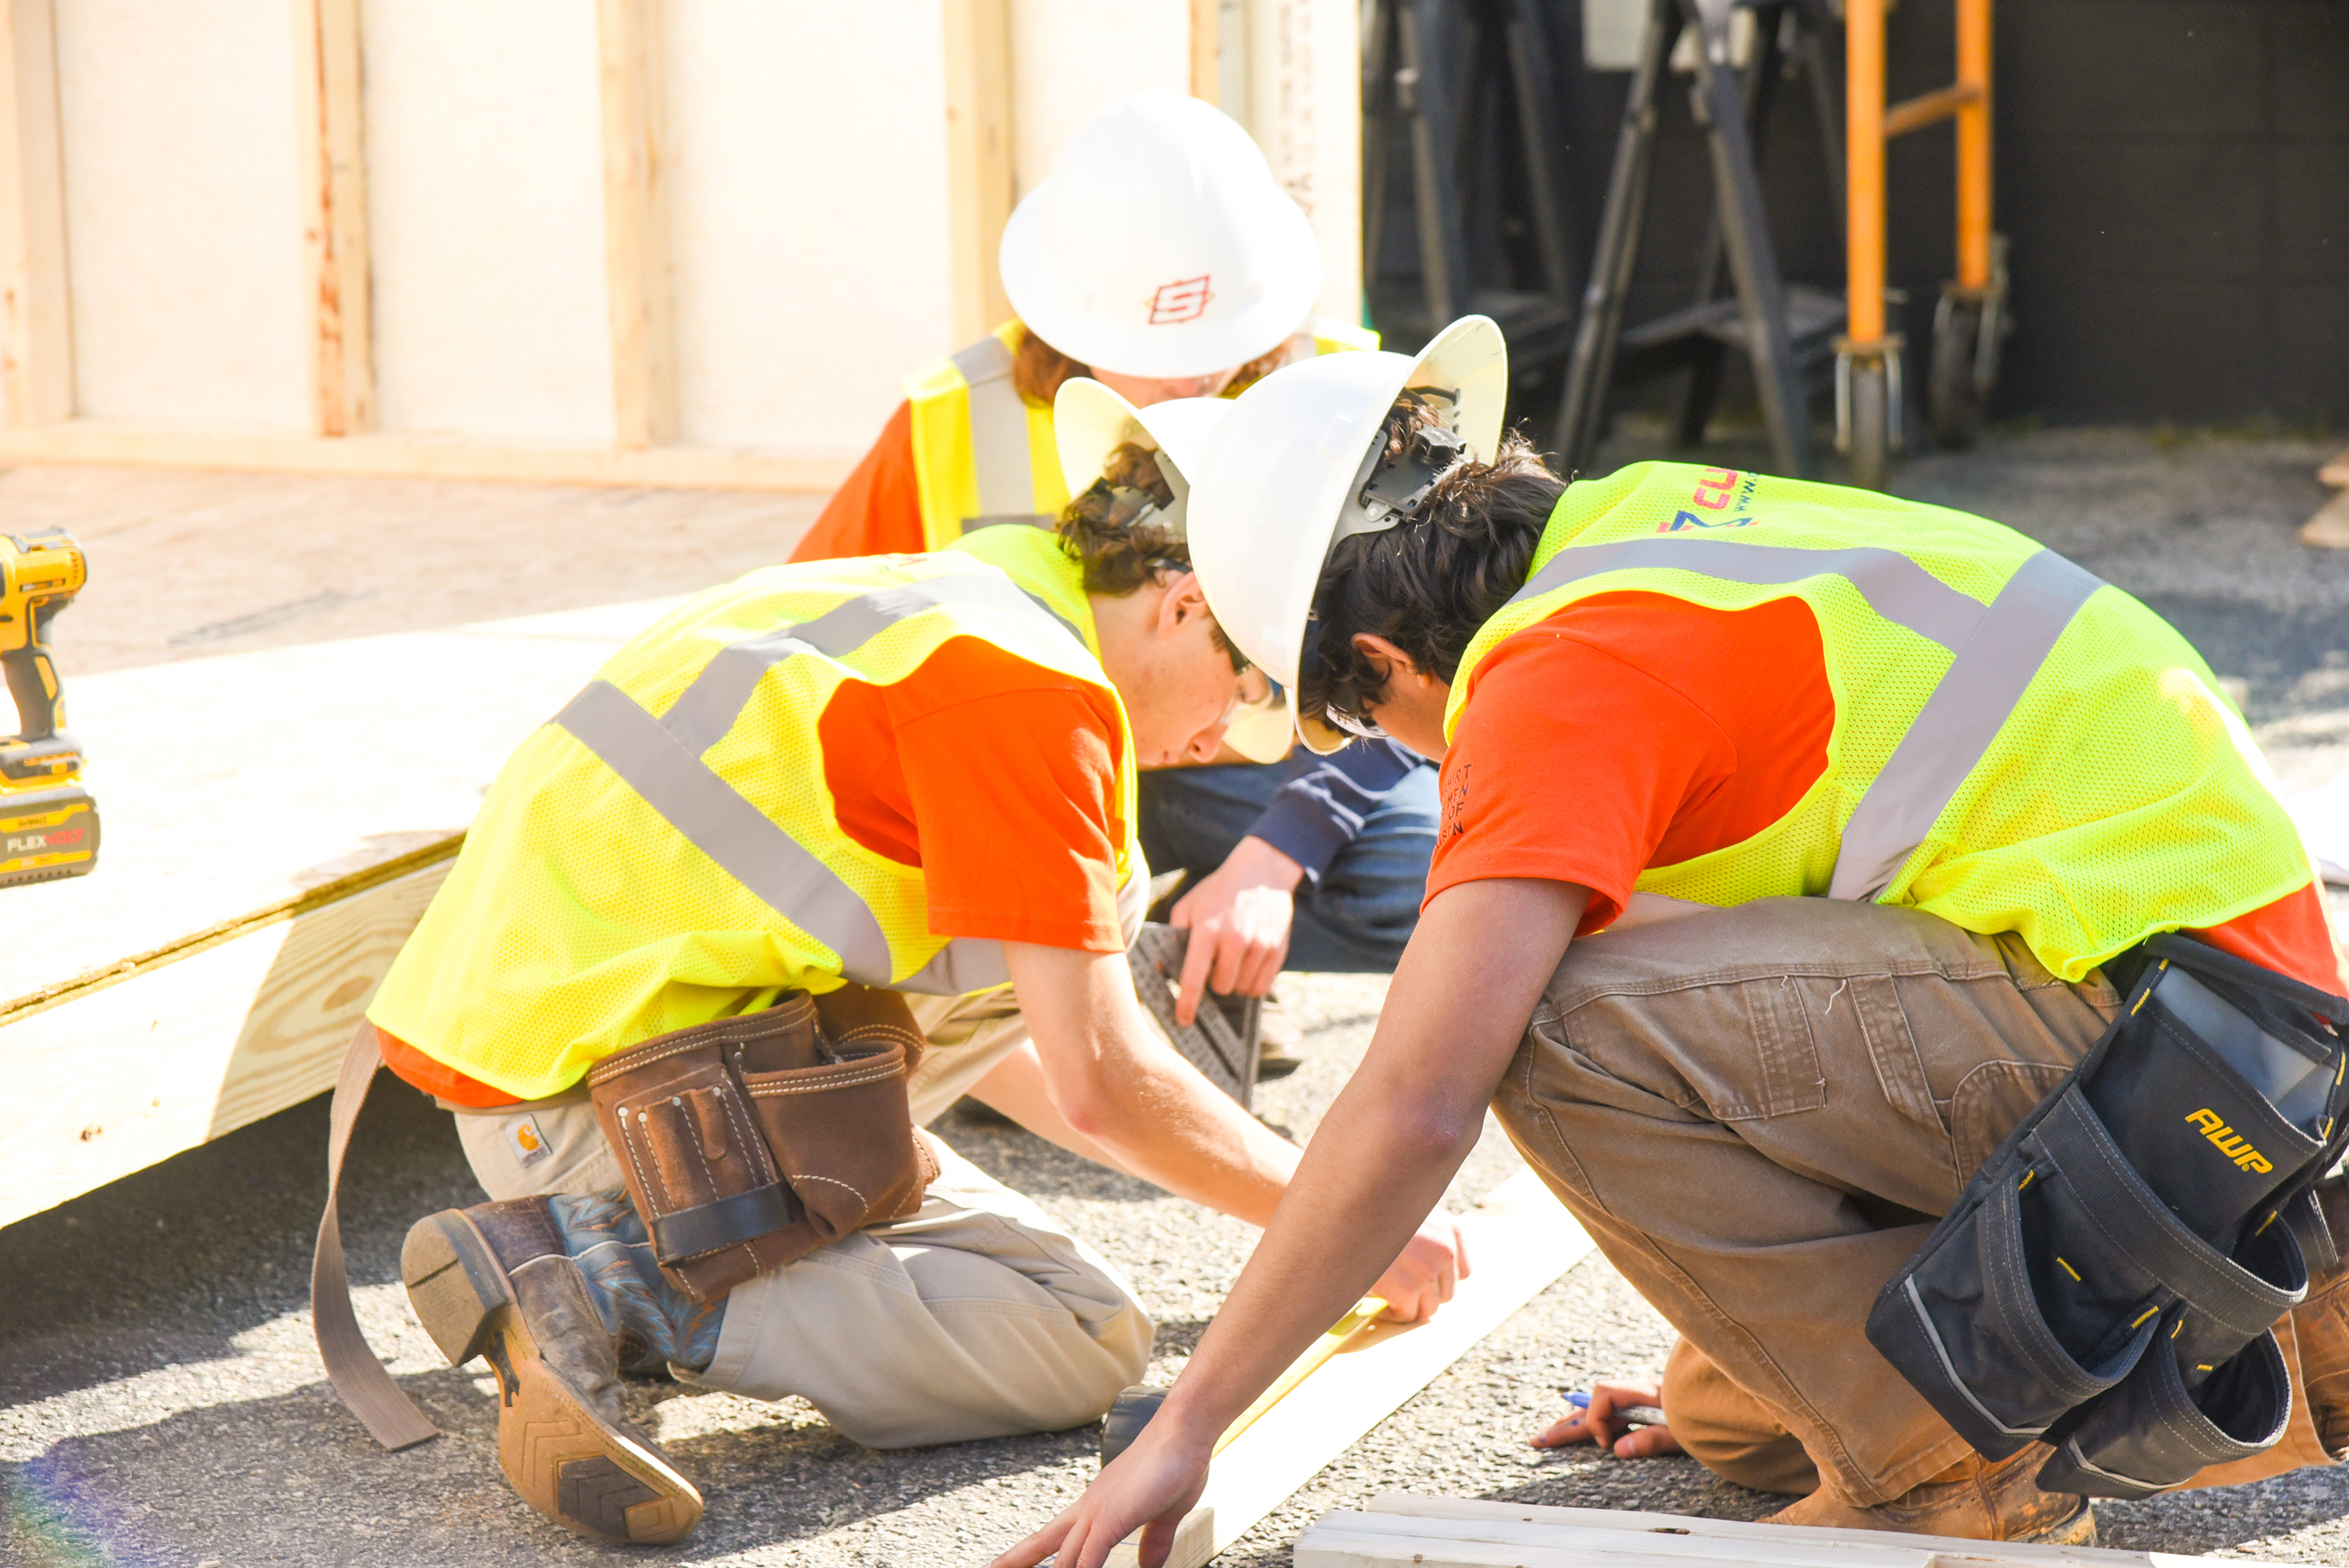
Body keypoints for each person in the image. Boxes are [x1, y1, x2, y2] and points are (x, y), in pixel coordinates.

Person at [996, 318, 2349, 1568]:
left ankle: (1946, 1481)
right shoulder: (1643, 525)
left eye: (1353, 726)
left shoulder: (1554, 672)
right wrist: (1761, 1341)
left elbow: (1417, 1098)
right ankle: (2307, 1330)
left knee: (1544, 1024)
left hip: (2169, 1051)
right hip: (2217, 1039)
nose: (1389, 756)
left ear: (1379, 657)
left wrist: (1191, 1422)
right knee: (1733, 1409)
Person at [351, 383, 1470, 1545]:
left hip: (583, 1054)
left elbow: (1011, 1043)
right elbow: (1103, 1078)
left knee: (1084, 1329)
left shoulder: (962, 601)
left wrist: (1285, 1210)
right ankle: (605, 1281)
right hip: (589, 1113)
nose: (1233, 742)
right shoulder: (1028, 699)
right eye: (1254, 693)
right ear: (1187, 604)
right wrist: (1348, 1226)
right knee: (1069, 1322)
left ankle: (614, 1264)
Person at [791, 89, 1436, 1059]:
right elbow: (808, 651)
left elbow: (1423, 664)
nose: (1191, 381)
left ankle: (1176, 958)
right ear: (1063, 319)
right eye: (1156, 354)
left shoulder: (1347, 387)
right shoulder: (946, 420)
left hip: (1250, 773)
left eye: (1214, 350)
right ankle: (1072, 992)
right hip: (1019, 776)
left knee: (1440, 880)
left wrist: (1275, 858)